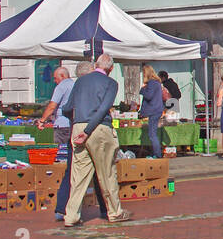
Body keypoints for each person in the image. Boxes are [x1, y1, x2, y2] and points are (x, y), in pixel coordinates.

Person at [63, 53, 130, 227]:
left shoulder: (80, 81)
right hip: (98, 128)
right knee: (106, 172)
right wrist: (88, 130)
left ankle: (71, 216)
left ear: (95, 66)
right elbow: (102, 109)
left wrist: (80, 126)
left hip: (78, 126)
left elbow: (67, 108)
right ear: (111, 68)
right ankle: (115, 212)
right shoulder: (111, 84)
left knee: (78, 176)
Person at [53, 62, 109, 222]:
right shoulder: (97, 86)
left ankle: (63, 209)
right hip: (95, 132)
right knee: (101, 171)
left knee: (73, 171)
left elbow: (66, 108)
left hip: (77, 132)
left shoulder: (77, 86)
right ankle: (106, 209)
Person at [138, 64, 165, 158]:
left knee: (152, 134)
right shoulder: (157, 82)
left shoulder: (152, 83)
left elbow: (149, 96)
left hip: (153, 110)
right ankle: (156, 153)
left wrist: (142, 89)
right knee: (153, 133)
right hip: (157, 110)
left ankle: (157, 155)